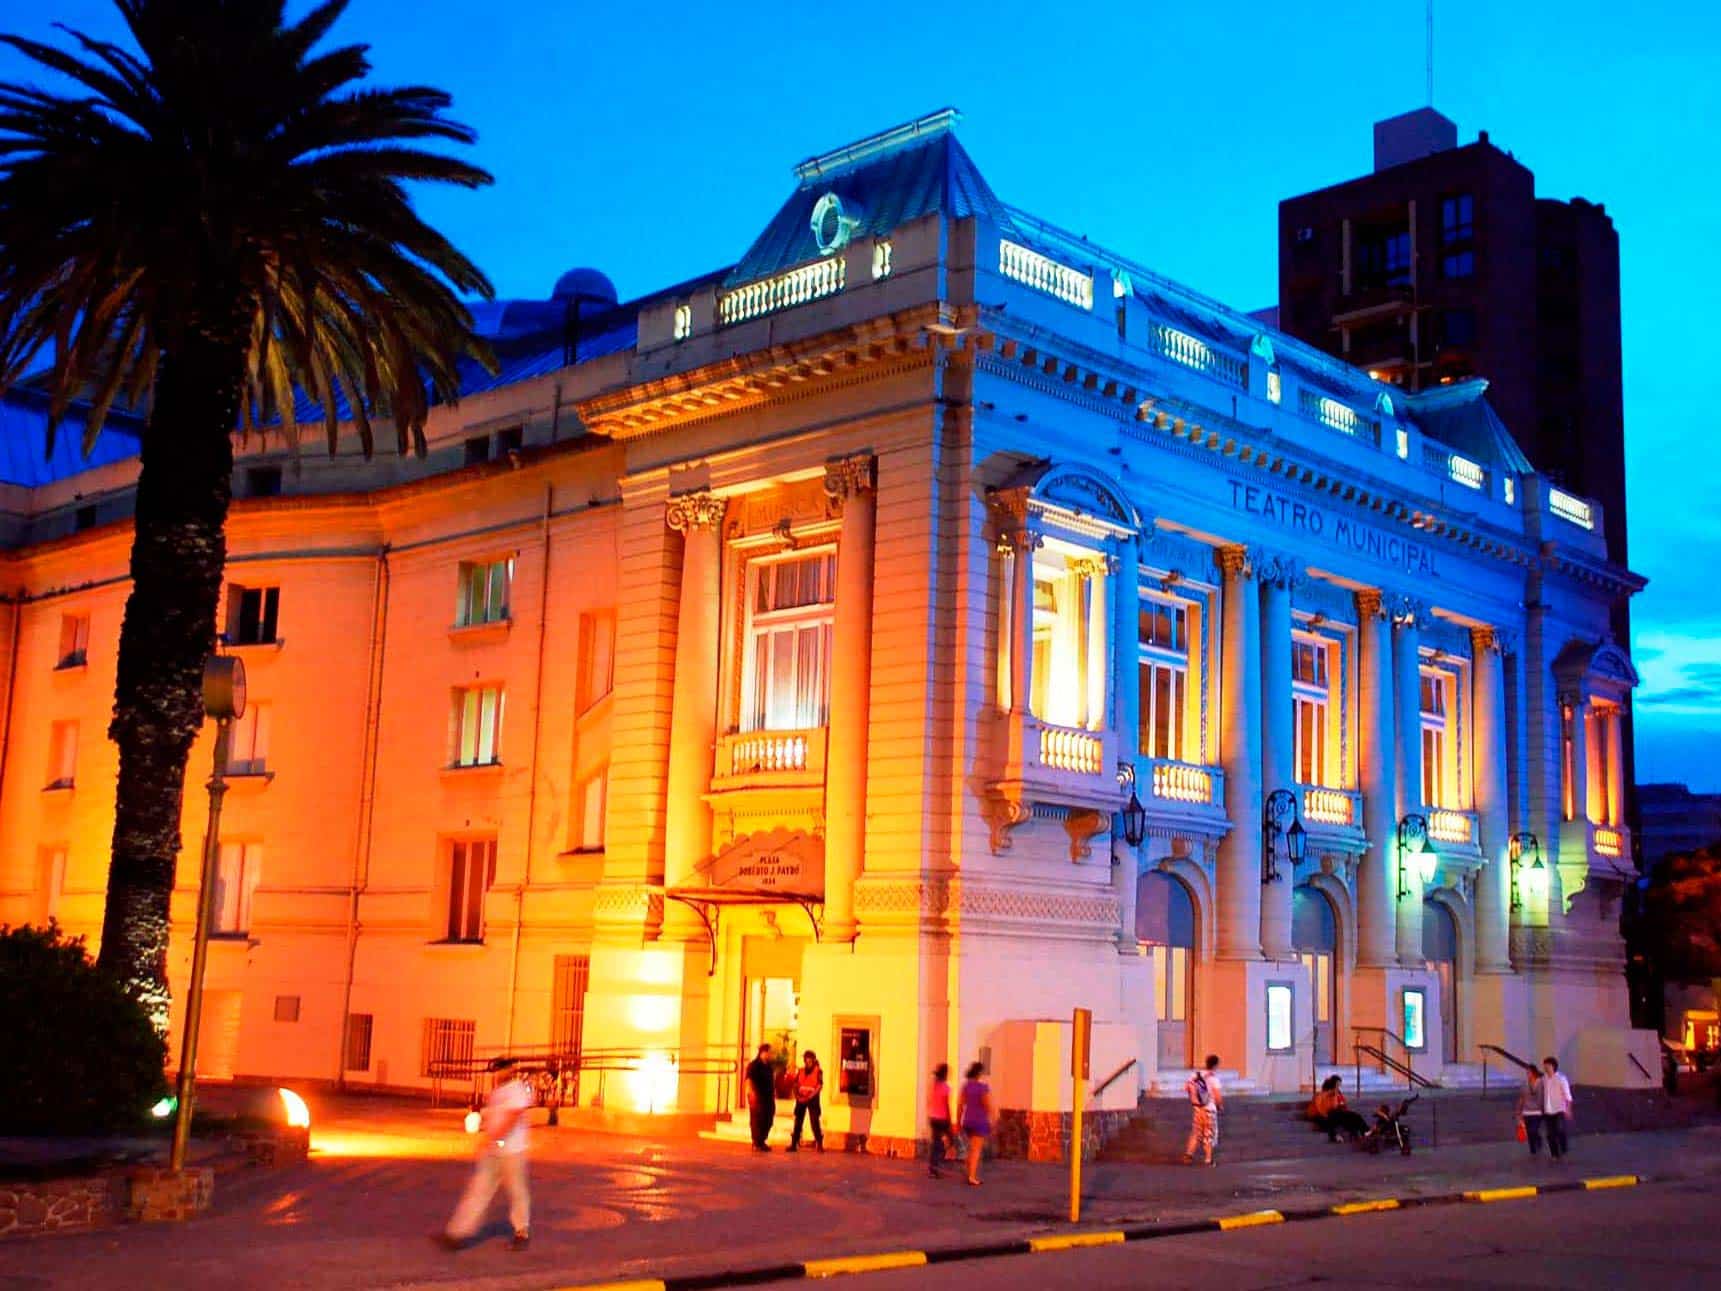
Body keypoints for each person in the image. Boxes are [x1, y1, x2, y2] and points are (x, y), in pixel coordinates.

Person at [442, 1057, 534, 1250]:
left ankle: (521, 1232)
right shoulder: (497, 1092)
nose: (497, 1074)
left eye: (500, 1070)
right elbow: (495, 1117)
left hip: (512, 1150)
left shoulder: (517, 1089)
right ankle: (457, 1233)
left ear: (509, 1070)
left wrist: (496, 1138)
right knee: (479, 1189)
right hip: (495, 1149)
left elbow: (513, 1116)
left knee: (516, 1191)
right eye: (494, 1071)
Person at [1183, 1054, 1223, 1165]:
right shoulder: (1214, 1079)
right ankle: (1208, 1159)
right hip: (1209, 1110)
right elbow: (1217, 1096)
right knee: (1209, 1134)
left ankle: (1188, 1155)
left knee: (1196, 1132)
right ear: (1215, 1065)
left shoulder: (1195, 1075)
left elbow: (1186, 1088)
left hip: (1198, 1109)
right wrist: (1220, 1106)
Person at [957, 1061, 992, 1186]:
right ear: (980, 1073)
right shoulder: (983, 1088)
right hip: (979, 1121)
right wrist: (991, 1118)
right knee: (976, 1149)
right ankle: (972, 1177)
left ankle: (969, 1170)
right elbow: (987, 1105)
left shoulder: (966, 1086)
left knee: (971, 1149)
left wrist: (958, 1121)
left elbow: (960, 1105)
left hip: (968, 1120)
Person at [1307, 1075, 1368, 1142]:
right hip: (1320, 1116)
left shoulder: (1333, 1096)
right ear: (1332, 1086)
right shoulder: (1319, 1095)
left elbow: (1334, 1107)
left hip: (1331, 1115)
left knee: (1353, 1116)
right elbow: (1319, 1110)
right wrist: (1328, 1116)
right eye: (1337, 1086)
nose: (1338, 1089)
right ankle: (1337, 1135)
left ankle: (1366, 1132)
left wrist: (1335, 1096)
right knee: (1336, 1117)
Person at [788, 1049, 824, 1152]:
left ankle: (819, 1144)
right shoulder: (801, 1071)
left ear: (813, 1061)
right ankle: (794, 1144)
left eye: (810, 1061)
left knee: (814, 1122)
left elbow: (819, 1086)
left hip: (812, 1099)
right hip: (801, 1098)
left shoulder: (818, 1071)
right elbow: (795, 1084)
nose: (808, 1063)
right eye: (806, 1061)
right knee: (798, 1122)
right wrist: (797, 1096)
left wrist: (810, 1096)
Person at [744, 1043, 777, 1151]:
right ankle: (756, 1142)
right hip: (757, 1096)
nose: (771, 1055)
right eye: (769, 1052)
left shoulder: (768, 1066)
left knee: (769, 1119)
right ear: (763, 1053)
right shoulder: (754, 1065)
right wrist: (751, 1094)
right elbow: (748, 1080)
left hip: (768, 1097)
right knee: (757, 1119)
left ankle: (762, 1140)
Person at [1540, 1055, 1573, 1159]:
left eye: (1547, 1066)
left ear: (1553, 1066)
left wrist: (1568, 1109)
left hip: (1559, 1109)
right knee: (1550, 1134)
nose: (1545, 1068)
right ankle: (1554, 1153)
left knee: (1559, 1130)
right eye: (1544, 1066)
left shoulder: (1561, 1079)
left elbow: (1568, 1096)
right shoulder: (1544, 1078)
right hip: (1548, 1110)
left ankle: (1563, 1147)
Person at [927, 1063, 954, 1179]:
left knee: (936, 1141)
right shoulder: (945, 1087)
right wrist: (950, 1118)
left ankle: (934, 1165)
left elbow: (930, 1100)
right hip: (942, 1118)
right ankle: (937, 1164)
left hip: (933, 1117)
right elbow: (947, 1104)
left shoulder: (934, 1086)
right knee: (947, 1140)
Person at [1516, 1067, 1545, 1155]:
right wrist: (1518, 1111)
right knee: (1529, 1132)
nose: (1527, 1074)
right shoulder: (1524, 1084)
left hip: (1538, 1112)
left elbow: (1544, 1097)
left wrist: (1544, 1109)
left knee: (1534, 1130)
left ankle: (1538, 1139)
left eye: (1529, 1072)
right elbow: (1521, 1098)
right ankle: (1532, 1150)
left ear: (1534, 1073)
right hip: (1526, 1112)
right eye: (1527, 1073)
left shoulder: (1541, 1083)